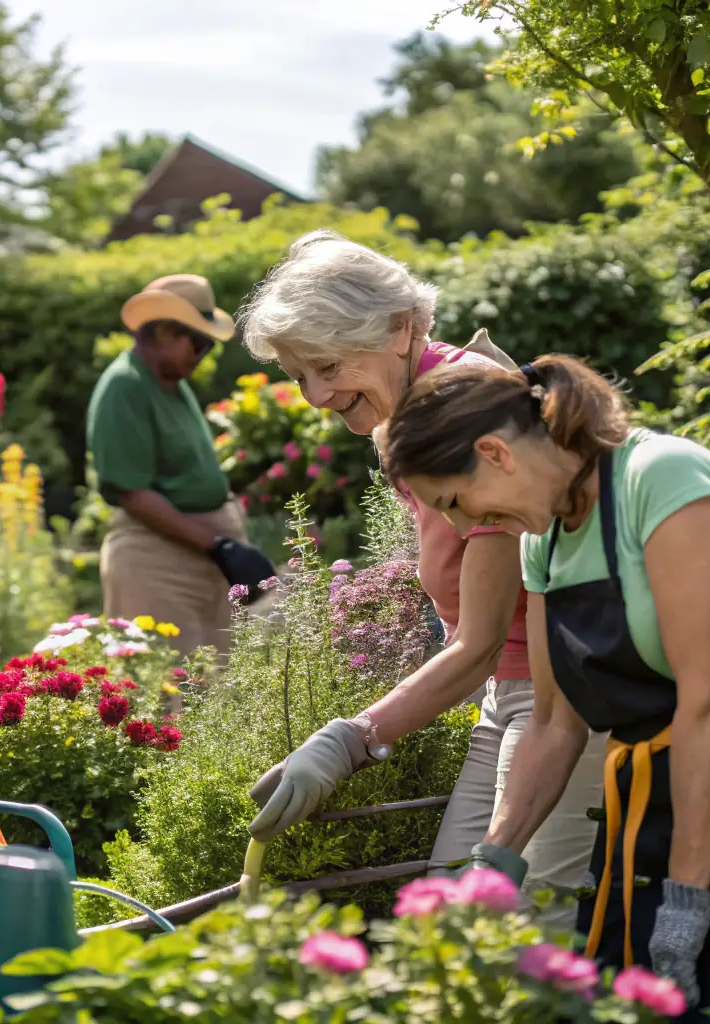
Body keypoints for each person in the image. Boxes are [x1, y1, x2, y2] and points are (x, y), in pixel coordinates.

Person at [378, 353, 710, 1020]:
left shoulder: (662, 478)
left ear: (493, 452)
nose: (458, 525)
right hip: (661, 812)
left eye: (453, 500)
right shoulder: (545, 540)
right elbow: (552, 723)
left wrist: (683, 904)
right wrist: (491, 859)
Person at [237, 230, 604, 930]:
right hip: (511, 691)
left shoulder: (466, 409)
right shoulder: (404, 418)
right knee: (440, 930)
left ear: (400, 330)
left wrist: (351, 738)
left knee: (516, 936)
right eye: (297, 376)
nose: (315, 396)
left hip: (566, 701)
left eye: (327, 366)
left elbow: (481, 635)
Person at [88, 274, 276, 657]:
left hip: (198, 558)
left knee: (216, 694)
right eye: (199, 342)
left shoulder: (171, 383)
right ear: (163, 333)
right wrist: (219, 545)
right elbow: (131, 493)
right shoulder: (126, 386)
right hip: (157, 563)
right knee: (169, 694)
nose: (204, 353)